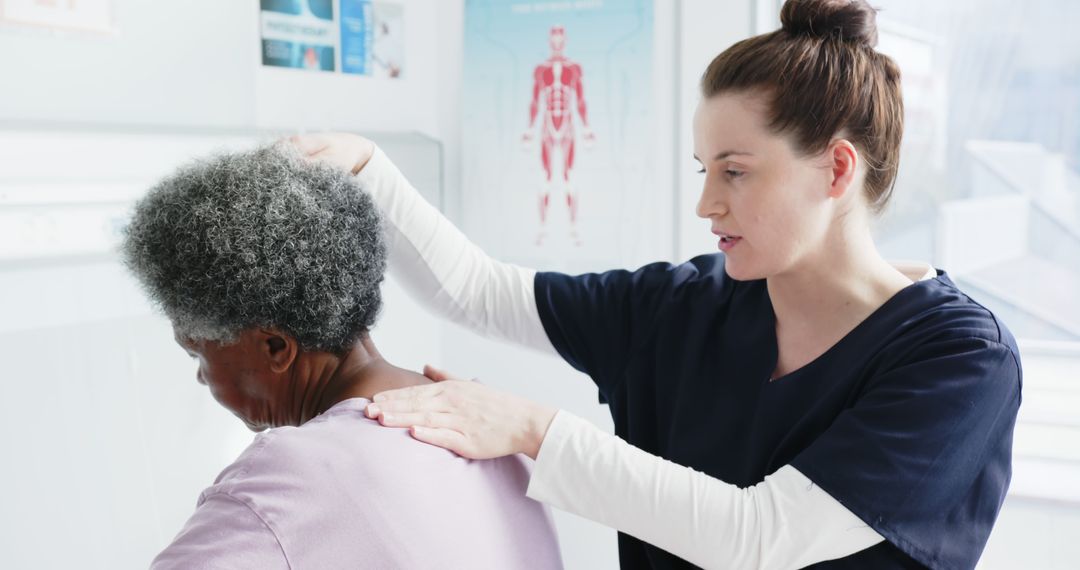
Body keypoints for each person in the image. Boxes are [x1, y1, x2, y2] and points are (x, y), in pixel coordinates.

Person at [294, 1, 1021, 568]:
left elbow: (761, 539)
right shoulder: (685, 306)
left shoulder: (958, 360)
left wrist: (529, 429)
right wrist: (366, 169)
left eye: (735, 172)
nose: (707, 204)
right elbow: (481, 294)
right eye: (703, 171)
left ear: (836, 170)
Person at [122, 145, 562, 569]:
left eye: (197, 353)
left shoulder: (285, 479)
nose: (202, 378)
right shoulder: (482, 421)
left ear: (276, 348)